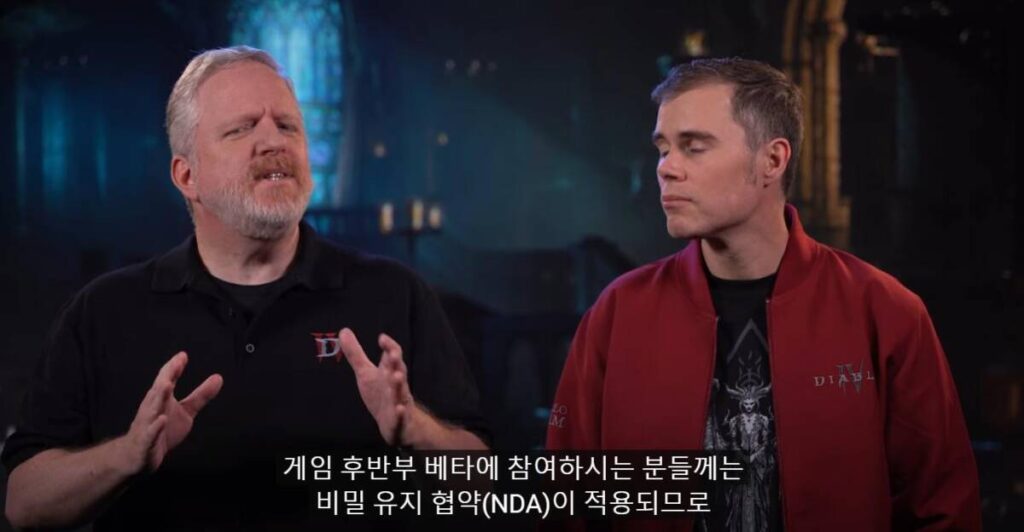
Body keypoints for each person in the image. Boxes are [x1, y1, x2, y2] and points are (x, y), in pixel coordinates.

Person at [3, 46, 488, 530]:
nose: (273, 141)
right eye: (241, 129)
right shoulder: (106, 311)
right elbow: (22, 503)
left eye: (288, 126)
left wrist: (418, 431)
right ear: (187, 175)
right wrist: (126, 456)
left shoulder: (393, 294)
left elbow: (485, 487)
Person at [546, 58, 980, 531]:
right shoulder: (619, 314)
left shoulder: (884, 311)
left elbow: (943, 508)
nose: (666, 169)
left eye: (693, 147)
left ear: (772, 160)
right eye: (663, 149)